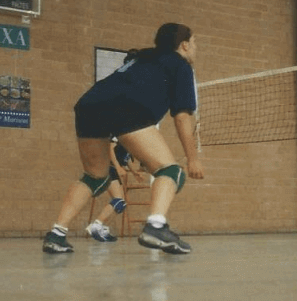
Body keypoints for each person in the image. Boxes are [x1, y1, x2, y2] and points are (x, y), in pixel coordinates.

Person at [42, 23, 205, 254]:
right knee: (171, 171)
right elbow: (181, 117)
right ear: (185, 45)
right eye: (195, 42)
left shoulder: (144, 59)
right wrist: (192, 159)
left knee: (95, 177)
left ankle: (56, 234)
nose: (196, 47)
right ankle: (156, 226)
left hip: (89, 105)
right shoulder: (180, 65)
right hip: (127, 108)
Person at [84, 140, 142, 242]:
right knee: (119, 200)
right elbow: (110, 148)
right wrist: (118, 167)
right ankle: (96, 225)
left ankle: (102, 227)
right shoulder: (120, 134)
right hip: (108, 168)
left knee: (121, 204)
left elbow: (126, 159)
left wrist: (134, 172)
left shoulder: (131, 142)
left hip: (113, 169)